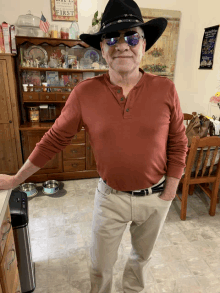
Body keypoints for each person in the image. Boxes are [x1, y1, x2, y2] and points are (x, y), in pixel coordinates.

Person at [0, 0, 188, 292]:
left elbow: (178, 141)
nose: (122, 45)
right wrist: (15, 179)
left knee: (141, 260)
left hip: (155, 198)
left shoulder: (166, 89)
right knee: (99, 268)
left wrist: (171, 190)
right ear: (102, 49)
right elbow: (53, 140)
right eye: (111, 38)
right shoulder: (84, 93)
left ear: (144, 44)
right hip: (110, 198)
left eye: (132, 36)